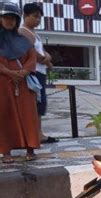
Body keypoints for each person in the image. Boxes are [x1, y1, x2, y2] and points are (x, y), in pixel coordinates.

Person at [0, 2, 40, 163]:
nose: (9, 21)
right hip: (3, 84)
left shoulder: (23, 40)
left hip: (23, 84)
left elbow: (32, 58)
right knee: (4, 116)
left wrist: (23, 72)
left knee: (28, 115)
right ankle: (6, 152)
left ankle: (30, 148)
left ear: (17, 20)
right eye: (5, 17)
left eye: (13, 18)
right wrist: (8, 72)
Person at [19, 3, 58, 144]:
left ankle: (38, 133)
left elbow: (43, 53)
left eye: (39, 17)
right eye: (35, 16)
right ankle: (33, 134)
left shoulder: (34, 33)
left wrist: (47, 59)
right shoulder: (23, 32)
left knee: (40, 105)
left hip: (39, 72)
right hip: (32, 73)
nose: (38, 20)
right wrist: (46, 59)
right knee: (34, 104)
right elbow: (34, 54)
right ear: (25, 16)